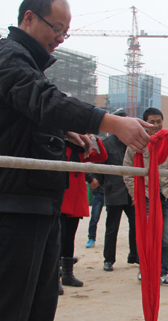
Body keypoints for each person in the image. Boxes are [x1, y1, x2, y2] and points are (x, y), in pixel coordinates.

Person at [0, 0, 153, 321]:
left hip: (37, 199)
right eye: (57, 29)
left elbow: (35, 113)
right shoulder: (8, 58)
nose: (60, 39)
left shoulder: (28, 63)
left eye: (66, 32)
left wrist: (67, 134)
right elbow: (43, 101)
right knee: (5, 311)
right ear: (30, 18)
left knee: (39, 304)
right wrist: (110, 122)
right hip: (8, 200)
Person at [124, 107, 168, 286]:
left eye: (159, 121)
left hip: (167, 196)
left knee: (165, 238)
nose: (156, 125)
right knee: (146, 237)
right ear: (144, 124)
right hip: (144, 196)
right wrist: (134, 193)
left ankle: (162, 272)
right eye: (151, 121)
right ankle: (144, 270)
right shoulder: (136, 143)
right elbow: (127, 172)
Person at [92, 110, 139, 273]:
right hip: (114, 192)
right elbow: (98, 169)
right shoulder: (106, 144)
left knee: (136, 225)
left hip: (132, 192)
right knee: (112, 228)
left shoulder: (132, 142)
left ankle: (134, 256)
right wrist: (105, 186)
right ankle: (109, 260)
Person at [59, 136, 107, 291]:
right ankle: (53, 277)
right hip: (60, 199)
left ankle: (67, 274)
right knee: (56, 238)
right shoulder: (59, 145)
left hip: (74, 201)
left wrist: (93, 138)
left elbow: (102, 156)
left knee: (69, 238)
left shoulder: (82, 152)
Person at [85, 181, 104, 248]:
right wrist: (94, 190)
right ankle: (91, 238)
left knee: (113, 219)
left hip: (110, 192)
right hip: (99, 193)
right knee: (94, 218)